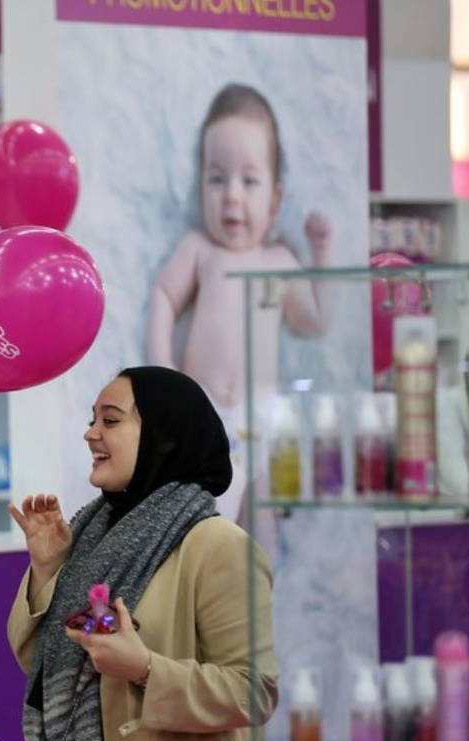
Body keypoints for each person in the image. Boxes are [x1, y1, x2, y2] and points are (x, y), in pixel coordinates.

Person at [7, 366, 279, 741]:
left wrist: (146, 670)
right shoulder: (97, 541)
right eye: (92, 420)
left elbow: (252, 689)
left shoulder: (218, 547)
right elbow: (48, 670)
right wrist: (50, 571)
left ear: (164, 437)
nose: (91, 433)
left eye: (110, 421)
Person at [146, 83, 332, 521]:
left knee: (262, 526)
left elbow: (316, 321)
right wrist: (164, 376)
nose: (232, 194)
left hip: (263, 419)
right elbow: (163, 297)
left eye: (249, 181)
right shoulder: (199, 250)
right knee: (209, 522)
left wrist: (320, 251)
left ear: (275, 200)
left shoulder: (279, 260)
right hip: (206, 412)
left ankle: (261, 589)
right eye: (217, 177)